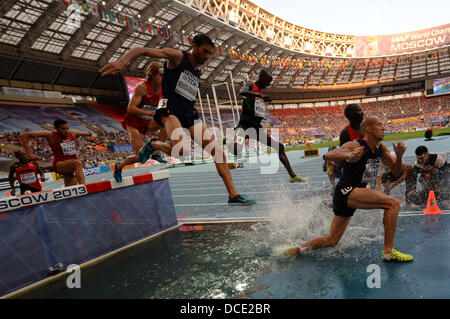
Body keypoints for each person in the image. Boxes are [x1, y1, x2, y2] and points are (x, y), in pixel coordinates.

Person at [99, 34, 255, 206]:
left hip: (188, 113)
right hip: (169, 111)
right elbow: (141, 50)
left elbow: (185, 90)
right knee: (182, 151)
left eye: (209, 54)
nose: (206, 57)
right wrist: (123, 61)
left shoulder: (198, 69)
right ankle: (154, 145)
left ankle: (233, 195)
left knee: (217, 151)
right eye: (204, 51)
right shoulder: (178, 57)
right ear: (193, 45)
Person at [283, 116, 413, 262]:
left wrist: (400, 156)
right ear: (369, 129)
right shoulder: (356, 145)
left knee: (332, 240)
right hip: (347, 191)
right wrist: (348, 155)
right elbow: (328, 155)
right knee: (392, 204)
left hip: (349, 195)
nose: (384, 127)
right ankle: (388, 251)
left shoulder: (380, 147)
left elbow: (396, 173)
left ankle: (294, 250)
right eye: (380, 124)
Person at [227, 68, 308, 183]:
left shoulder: (261, 94)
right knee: (236, 150)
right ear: (262, 77)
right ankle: (229, 140)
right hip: (245, 126)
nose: (268, 84)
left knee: (280, 147)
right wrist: (260, 97)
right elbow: (242, 92)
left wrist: (261, 99)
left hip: (257, 128)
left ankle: (293, 176)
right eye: (268, 81)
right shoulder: (251, 85)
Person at [113, 62, 168, 183]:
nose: (162, 78)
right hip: (133, 122)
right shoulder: (142, 87)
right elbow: (130, 108)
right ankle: (118, 167)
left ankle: (156, 152)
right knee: (140, 158)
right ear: (152, 75)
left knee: (168, 121)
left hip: (146, 122)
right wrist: (150, 113)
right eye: (160, 75)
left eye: (163, 75)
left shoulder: (163, 89)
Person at [19, 119, 97, 186]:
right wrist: (29, 153)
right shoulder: (50, 135)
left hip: (71, 166)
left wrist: (93, 135)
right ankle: (84, 187)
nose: (66, 131)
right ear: (56, 128)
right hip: (59, 164)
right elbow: (24, 135)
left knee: (71, 189)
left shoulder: (72, 133)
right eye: (63, 129)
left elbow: (92, 133)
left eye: (67, 128)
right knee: (78, 163)